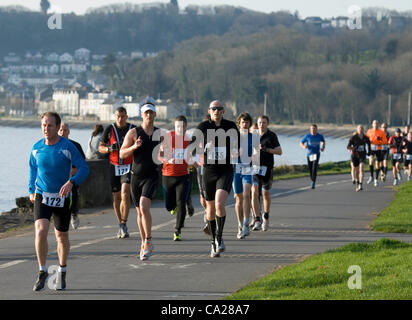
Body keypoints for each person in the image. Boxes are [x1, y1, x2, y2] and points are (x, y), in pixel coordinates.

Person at [29, 112, 89, 291]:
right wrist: (31, 191)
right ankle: (42, 271)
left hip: (62, 197)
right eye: (44, 125)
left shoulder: (68, 147)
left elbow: (84, 169)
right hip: (42, 195)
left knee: (61, 236)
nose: (46, 129)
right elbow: (33, 169)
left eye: (50, 125)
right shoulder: (36, 147)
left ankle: (62, 271)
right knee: (40, 231)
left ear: (57, 127)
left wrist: (72, 182)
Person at [196, 100, 239, 257]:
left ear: (223, 111)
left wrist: (233, 150)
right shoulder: (202, 127)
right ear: (209, 110)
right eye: (213, 108)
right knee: (211, 209)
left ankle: (219, 238)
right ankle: (214, 241)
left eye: (219, 108)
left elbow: (238, 146)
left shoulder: (231, 126)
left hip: (225, 170)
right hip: (209, 170)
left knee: (220, 203)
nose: (216, 111)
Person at [120, 102, 161, 261]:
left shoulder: (160, 133)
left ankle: (149, 240)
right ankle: (144, 242)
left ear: (155, 115)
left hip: (152, 176)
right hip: (136, 176)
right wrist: (133, 147)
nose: (149, 115)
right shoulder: (133, 132)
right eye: (146, 113)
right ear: (142, 115)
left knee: (144, 206)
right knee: (139, 211)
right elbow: (122, 154)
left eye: (151, 113)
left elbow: (169, 151)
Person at [99, 107, 136, 239]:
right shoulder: (109, 129)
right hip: (114, 166)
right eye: (118, 116)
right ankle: (120, 223)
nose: (120, 119)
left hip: (128, 166)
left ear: (126, 116)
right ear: (115, 116)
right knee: (116, 197)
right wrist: (109, 148)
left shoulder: (133, 129)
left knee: (125, 193)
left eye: (122, 116)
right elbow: (100, 147)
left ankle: (124, 223)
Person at [160, 115, 192, 241]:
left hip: (183, 176)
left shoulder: (189, 140)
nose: (179, 129)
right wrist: (167, 158)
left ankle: (177, 230)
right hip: (168, 175)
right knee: (169, 206)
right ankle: (173, 208)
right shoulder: (167, 138)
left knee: (181, 203)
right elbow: (159, 155)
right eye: (177, 126)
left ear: (186, 127)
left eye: (182, 126)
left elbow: (195, 155)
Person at [253, 115, 282, 231]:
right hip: (254, 168)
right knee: (254, 191)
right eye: (260, 122)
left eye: (264, 122)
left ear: (267, 124)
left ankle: (266, 216)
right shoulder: (253, 135)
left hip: (267, 168)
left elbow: (280, 151)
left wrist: (267, 150)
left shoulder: (272, 136)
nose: (261, 125)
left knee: (265, 194)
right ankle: (256, 219)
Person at [233, 113, 258, 239]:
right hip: (236, 169)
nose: (245, 124)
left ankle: (246, 224)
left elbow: (257, 150)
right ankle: (240, 224)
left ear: (249, 124)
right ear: (239, 123)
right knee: (238, 198)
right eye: (243, 122)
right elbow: (229, 154)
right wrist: (234, 154)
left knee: (247, 194)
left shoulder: (253, 137)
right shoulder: (233, 137)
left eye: (247, 122)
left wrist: (254, 155)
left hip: (248, 168)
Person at [58, 122, 86, 230]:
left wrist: (74, 170)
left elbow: (83, 164)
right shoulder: (52, 145)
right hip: (58, 177)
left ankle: (74, 213)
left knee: (72, 193)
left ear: (68, 132)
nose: (62, 132)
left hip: (72, 176)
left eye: (65, 130)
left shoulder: (75, 145)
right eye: (60, 130)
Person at [299, 124, 325, 189]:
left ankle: (313, 182)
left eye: (314, 128)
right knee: (310, 169)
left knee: (314, 168)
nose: (313, 130)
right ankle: (312, 179)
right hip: (309, 154)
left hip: (317, 154)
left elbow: (323, 141)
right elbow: (301, 143)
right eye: (312, 128)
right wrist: (303, 146)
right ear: (310, 129)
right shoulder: (307, 136)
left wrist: (322, 147)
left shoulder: (319, 136)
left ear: (317, 129)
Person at [347, 125, 370, 192]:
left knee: (361, 168)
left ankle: (360, 184)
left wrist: (369, 152)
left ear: (363, 129)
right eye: (359, 128)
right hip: (355, 155)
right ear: (357, 129)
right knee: (356, 171)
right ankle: (358, 182)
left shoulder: (366, 137)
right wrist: (354, 148)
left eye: (362, 128)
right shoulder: (353, 137)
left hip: (362, 155)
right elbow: (348, 146)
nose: (360, 129)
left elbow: (369, 145)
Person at [366, 120, 388, 187]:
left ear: (378, 125)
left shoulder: (381, 132)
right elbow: (366, 139)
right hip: (372, 148)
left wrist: (380, 139)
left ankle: (376, 179)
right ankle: (371, 176)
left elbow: (385, 141)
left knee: (377, 165)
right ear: (372, 124)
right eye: (374, 123)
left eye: (377, 123)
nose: (375, 124)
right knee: (371, 160)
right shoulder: (369, 131)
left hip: (378, 149)